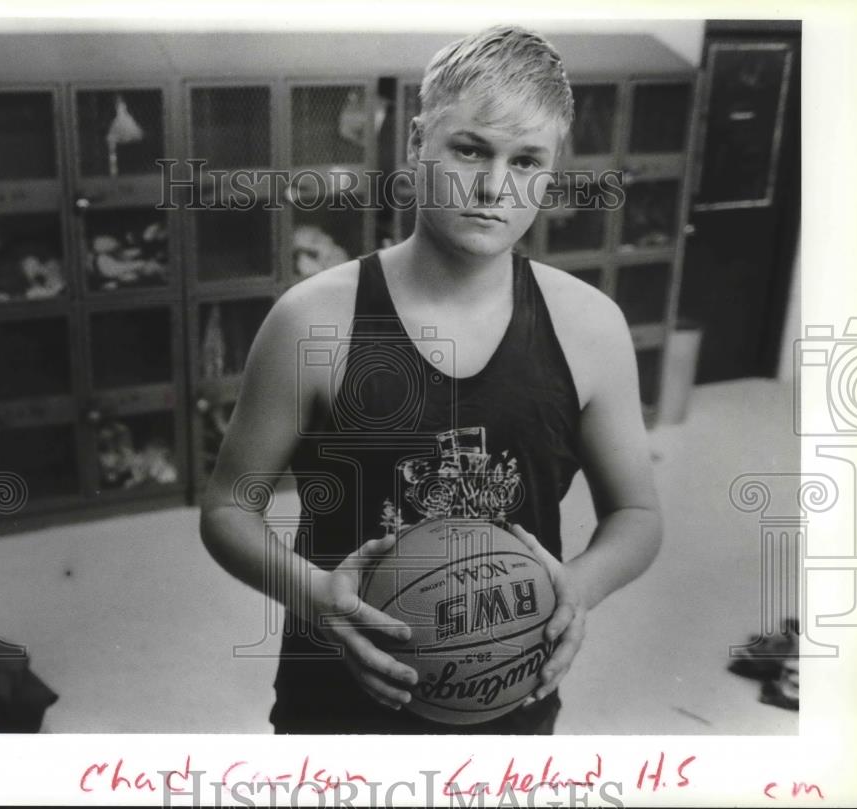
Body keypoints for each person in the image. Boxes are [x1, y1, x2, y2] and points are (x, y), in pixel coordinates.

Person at [199, 25, 662, 734]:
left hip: (511, 694)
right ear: (417, 140)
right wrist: (318, 594)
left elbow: (637, 515)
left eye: (527, 160)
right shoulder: (312, 319)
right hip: (335, 703)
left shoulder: (589, 326)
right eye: (470, 148)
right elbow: (229, 508)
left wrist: (578, 585)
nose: (492, 186)